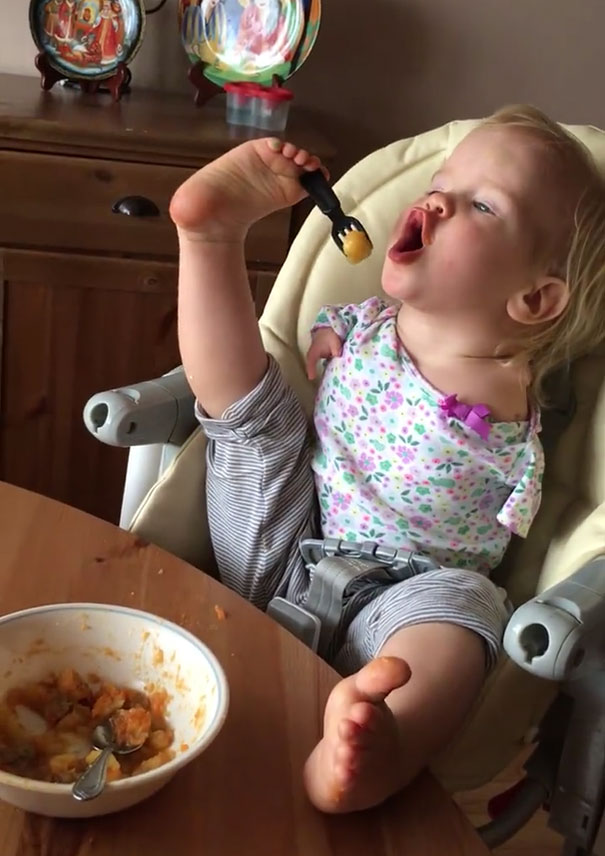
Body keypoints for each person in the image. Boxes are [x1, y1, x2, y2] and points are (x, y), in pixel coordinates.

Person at [169, 107, 605, 813]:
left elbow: (488, 355)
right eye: (442, 181)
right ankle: (209, 238)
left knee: (463, 623)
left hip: (407, 595)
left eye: (482, 204)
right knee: (255, 426)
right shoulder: (371, 318)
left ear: (533, 299)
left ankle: (379, 745)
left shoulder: (502, 375)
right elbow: (335, 328)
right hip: (286, 549)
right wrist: (323, 331)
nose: (437, 199)